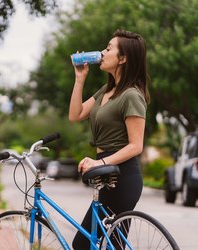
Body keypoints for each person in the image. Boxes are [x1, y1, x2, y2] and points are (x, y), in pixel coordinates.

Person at [69, 29, 150, 249]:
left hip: (123, 177)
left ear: (122, 58)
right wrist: (79, 79)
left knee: (102, 244)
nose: (103, 53)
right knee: (85, 244)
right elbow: (75, 115)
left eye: (109, 48)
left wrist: (100, 162)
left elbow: (136, 145)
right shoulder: (107, 91)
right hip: (105, 174)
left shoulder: (132, 95)